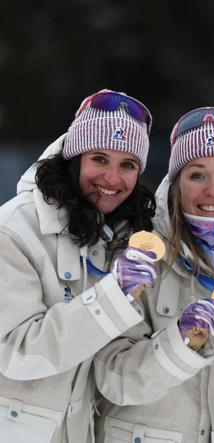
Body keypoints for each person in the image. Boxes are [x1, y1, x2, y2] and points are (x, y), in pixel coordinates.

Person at [94, 107, 214, 443]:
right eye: (197, 175)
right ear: (175, 186)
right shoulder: (137, 255)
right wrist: (178, 341)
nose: (213, 190)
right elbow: (111, 379)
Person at [0, 89, 158, 443]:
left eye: (127, 165)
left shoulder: (114, 237)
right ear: (72, 159)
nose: (112, 179)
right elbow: (17, 350)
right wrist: (114, 296)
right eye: (99, 159)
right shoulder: (13, 229)